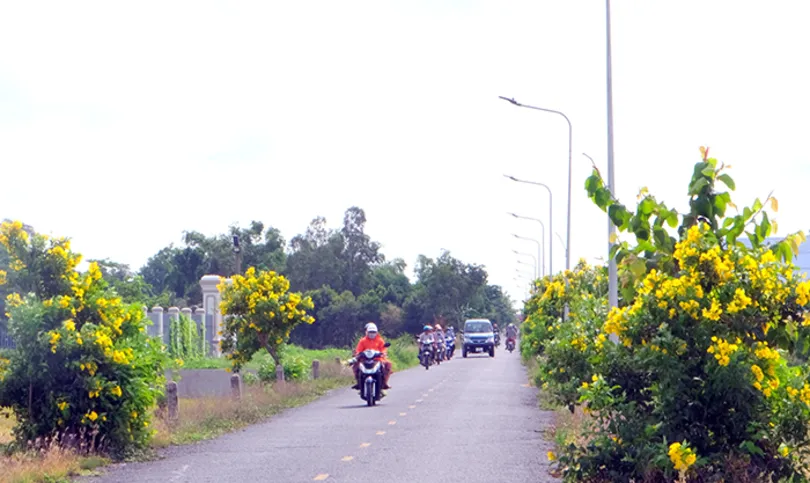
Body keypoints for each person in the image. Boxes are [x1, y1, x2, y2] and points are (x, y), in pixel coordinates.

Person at [351, 323, 392, 390]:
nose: (372, 334)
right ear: (367, 332)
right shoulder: (362, 341)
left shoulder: (380, 340)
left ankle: (385, 383)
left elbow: (383, 348)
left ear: (376, 332)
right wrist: (358, 354)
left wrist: (383, 353)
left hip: (378, 359)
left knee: (388, 364)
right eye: (370, 332)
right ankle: (358, 382)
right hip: (364, 359)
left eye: (373, 332)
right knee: (355, 365)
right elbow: (358, 350)